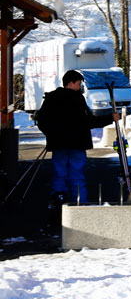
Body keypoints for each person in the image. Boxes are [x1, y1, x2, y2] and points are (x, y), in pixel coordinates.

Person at [34, 70, 120, 204]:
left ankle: (58, 199)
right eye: (79, 83)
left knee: (59, 172)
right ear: (70, 83)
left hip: (58, 143)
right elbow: (88, 121)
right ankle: (79, 201)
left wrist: (51, 134)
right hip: (77, 143)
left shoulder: (51, 98)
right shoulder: (77, 99)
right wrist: (110, 118)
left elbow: (41, 120)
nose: (80, 87)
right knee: (77, 174)